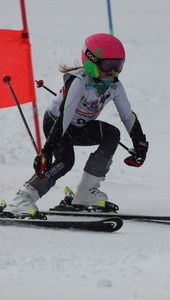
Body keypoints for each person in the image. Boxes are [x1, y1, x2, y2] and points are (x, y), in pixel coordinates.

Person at [4, 33, 149, 216]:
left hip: (80, 127)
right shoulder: (79, 82)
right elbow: (64, 116)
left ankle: (86, 192)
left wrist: (140, 143)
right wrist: (46, 151)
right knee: (65, 161)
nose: (113, 71)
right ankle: (23, 198)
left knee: (111, 133)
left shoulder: (114, 86)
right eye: (107, 65)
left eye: (118, 65)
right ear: (91, 62)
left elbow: (128, 116)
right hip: (57, 124)